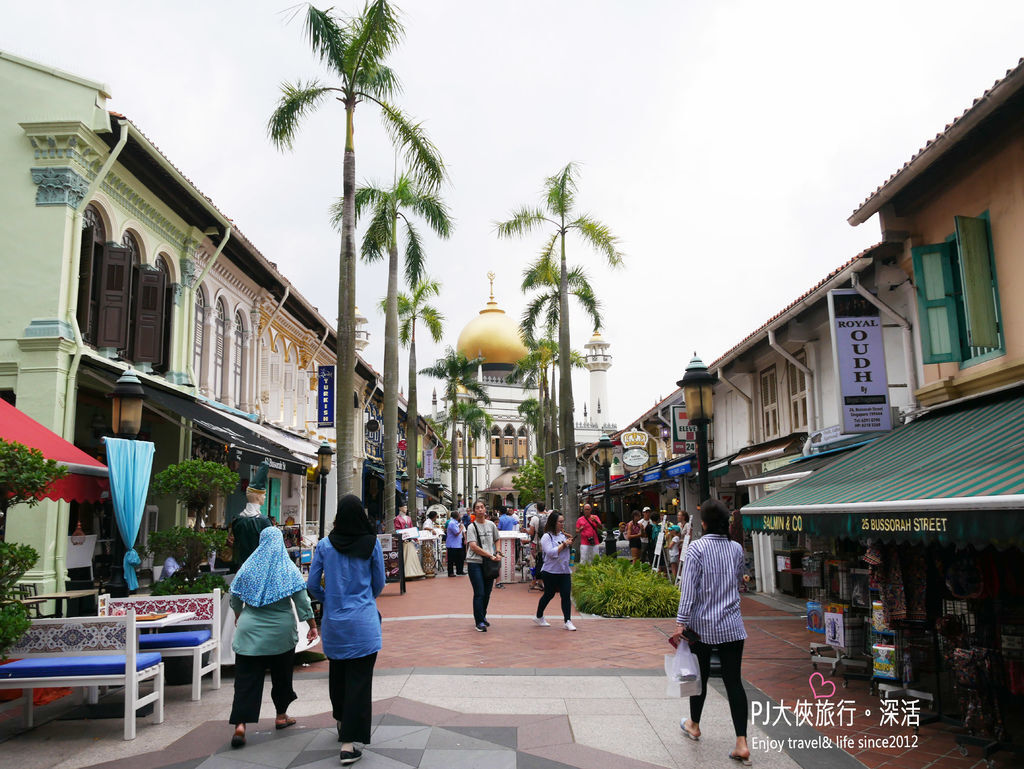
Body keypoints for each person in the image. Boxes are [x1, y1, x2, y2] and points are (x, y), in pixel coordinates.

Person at [307, 494, 386, 766]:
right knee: (359, 682)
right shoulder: (371, 543)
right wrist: (364, 599)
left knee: (338, 675)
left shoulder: (325, 546)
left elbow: (313, 585)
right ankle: (348, 744)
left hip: (335, 623)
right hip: (364, 622)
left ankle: (341, 720)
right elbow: (380, 582)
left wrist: (330, 599)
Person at [672, 499, 751, 766]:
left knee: (699, 679)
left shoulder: (696, 549)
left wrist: (681, 622)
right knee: (734, 682)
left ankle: (694, 724)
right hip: (732, 625)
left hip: (701, 626)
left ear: (703, 523)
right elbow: (738, 581)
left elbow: (689, 589)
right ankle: (741, 742)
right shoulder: (736, 549)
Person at [228, 527, 318, 748]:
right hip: (280, 633)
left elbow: (235, 596)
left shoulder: (248, 567)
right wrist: (312, 625)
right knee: (282, 676)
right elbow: (302, 601)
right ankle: (280, 715)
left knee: (246, 679)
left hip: (249, 632)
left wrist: (240, 615)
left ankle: (240, 725)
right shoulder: (287, 568)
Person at [533, 513, 577, 630]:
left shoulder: (563, 535)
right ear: (553, 522)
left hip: (564, 570)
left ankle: (567, 620)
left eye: (563, 521)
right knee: (549, 594)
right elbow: (551, 553)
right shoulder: (547, 537)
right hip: (550, 571)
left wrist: (568, 544)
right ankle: (539, 616)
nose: (562, 524)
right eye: (560, 522)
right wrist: (564, 545)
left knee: (566, 595)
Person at [229, 461, 273, 571]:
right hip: (259, 568)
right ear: (258, 496)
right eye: (264, 495)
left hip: (241, 568)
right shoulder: (264, 521)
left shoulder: (237, 520)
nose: (265, 497)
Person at [465, 498, 501, 632]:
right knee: (479, 592)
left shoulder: (491, 525)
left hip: (489, 562)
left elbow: (497, 539)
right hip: (475, 563)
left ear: (485, 509)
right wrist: (489, 554)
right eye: (477, 507)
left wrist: (497, 552)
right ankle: (478, 621)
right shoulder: (471, 527)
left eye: (482, 507)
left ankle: (483, 616)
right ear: (474, 511)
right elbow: (473, 546)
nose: (480, 509)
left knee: (487, 592)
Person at [527, 503, 549, 590]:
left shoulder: (534, 518)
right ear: (545, 507)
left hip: (537, 543)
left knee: (537, 562)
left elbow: (532, 533)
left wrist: (527, 531)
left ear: (537, 508)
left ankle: (535, 581)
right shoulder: (549, 517)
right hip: (548, 542)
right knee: (546, 561)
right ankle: (542, 582)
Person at [446, 509, 466, 576]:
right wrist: (461, 528)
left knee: (460, 558)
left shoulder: (456, 522)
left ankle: (459, 570)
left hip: (458, 544)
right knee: (451, 560)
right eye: (459, 515)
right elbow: (456, 533)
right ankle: (450, 572)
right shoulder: (452, 523)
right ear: (457, 516)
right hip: (452, 544)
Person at [421, 510, 439, 577]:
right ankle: (427, 570)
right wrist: (432, 530)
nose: (436, 518)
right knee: (428, 556)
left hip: (429, 541)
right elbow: (426, 527)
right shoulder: (428, 521)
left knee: (430, 556)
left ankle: (430, 569)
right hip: (426, 542)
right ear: (433, 517)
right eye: (436, 517)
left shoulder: (430, 522)